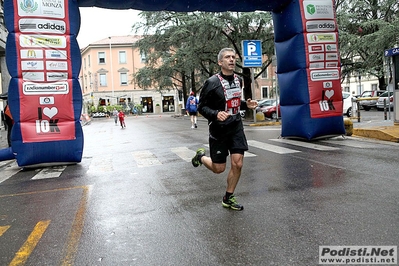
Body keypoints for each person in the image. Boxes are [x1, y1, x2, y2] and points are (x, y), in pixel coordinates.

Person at [191, 48, 258, 211]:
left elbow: (233, 101)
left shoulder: (238, 80)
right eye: (227, 57)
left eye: (233, 57)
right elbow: (202, 107)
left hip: (235, 126)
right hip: (218, 130)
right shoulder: (212, 82)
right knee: (219, 168)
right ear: (220, 62)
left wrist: (246, 105)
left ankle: (228, 197)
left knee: (238, 163)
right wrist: (215, 114)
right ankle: (201, 158)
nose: (231, 60)